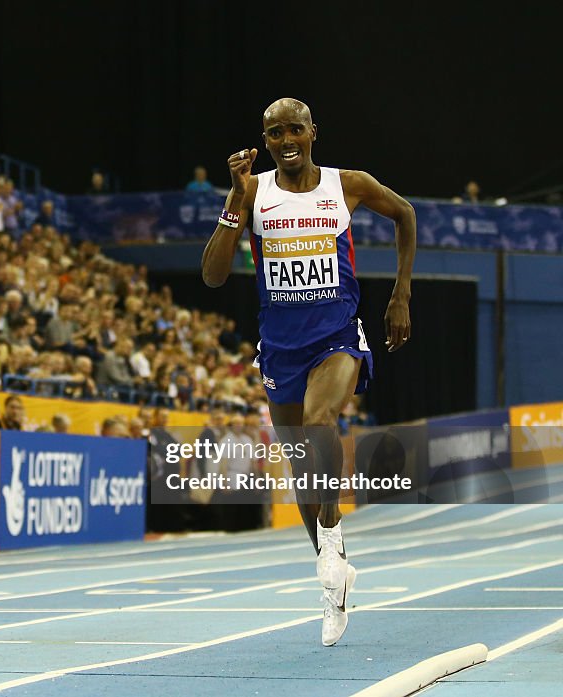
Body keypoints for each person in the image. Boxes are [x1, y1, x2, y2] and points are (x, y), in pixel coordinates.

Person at [201, 98, 415, 646]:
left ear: (313, 132)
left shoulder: (349, 185)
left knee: (321, 419)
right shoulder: (252, 192)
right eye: (275, 132)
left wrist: (401, 294)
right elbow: (213, 276)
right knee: (301, 467)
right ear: (266, 140)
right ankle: (332, 579)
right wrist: (233, 195)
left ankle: (331, 527)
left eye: (295, 128)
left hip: (337, 334)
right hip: (280, 346)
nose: (286, 138)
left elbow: (406, 215)